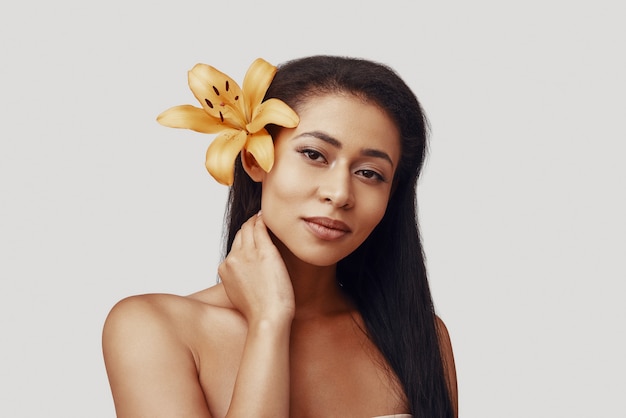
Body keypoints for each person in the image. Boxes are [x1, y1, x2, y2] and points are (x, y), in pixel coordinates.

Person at [102, 55, 458, 418]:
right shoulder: (152, 330)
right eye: (314, 154)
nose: (339, 193)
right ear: (255, 159)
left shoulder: (421, 338)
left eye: (369, 173)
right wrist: (268, 322)